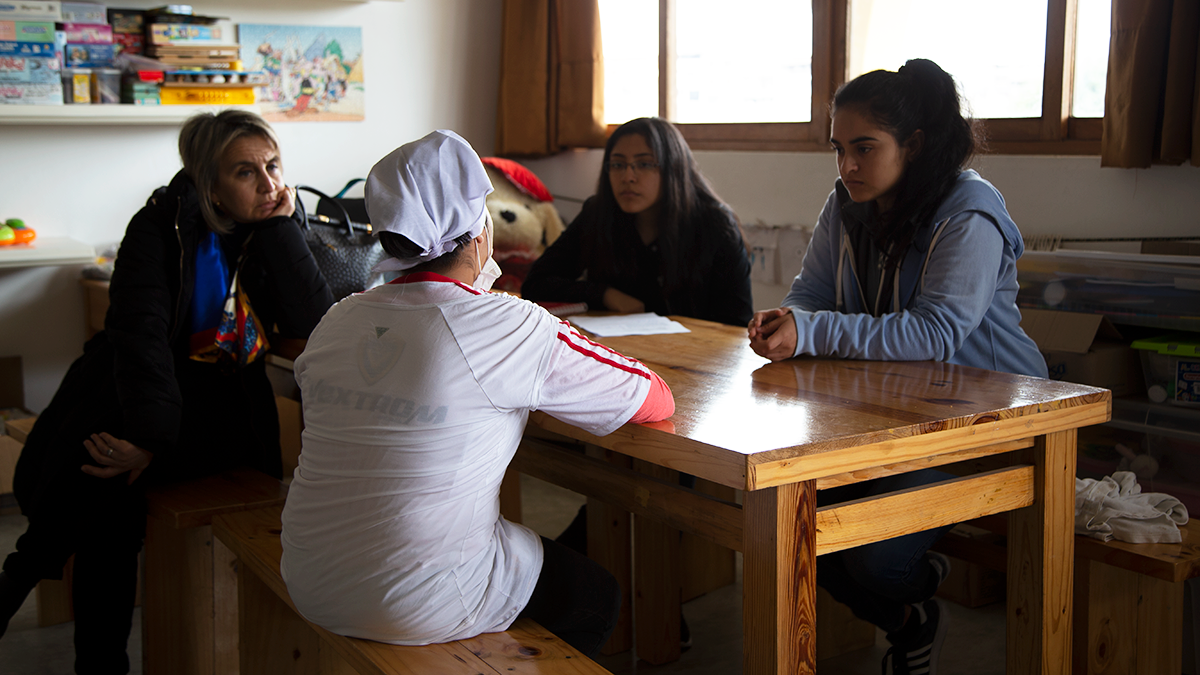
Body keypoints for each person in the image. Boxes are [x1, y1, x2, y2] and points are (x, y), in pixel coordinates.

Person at [279, 130, 674, 658]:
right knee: (595, 597)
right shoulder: (503, 323)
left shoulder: (338, 318)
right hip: (418, 599)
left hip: (309, 576)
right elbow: (652, 397)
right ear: (477, 230)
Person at [0, 110, 334, 674]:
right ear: (211, 185)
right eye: (246, 172)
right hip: (153, 394)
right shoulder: (159, 227)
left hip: (227, 412)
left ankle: (21, 578)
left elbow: (315, 319)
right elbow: (140, 336)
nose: (269, 183)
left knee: (104, 484)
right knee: (106, 487)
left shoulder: (275, 227)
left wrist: (281, 230)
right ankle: (90, 654)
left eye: (273, 166)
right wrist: (148, 437)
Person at [747, 59, 1047, 675]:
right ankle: (911, 622)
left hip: (990, 419)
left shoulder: (969, 211)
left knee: (873, 558)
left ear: (914, 145)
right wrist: (788, 320)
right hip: (892, 413)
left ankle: (916, 578)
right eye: (838, 150)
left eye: (864, 148)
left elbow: (936, 333)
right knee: (791, 526)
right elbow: (812, 293)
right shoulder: (847, 203)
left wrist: (812, 330)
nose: (847, 166)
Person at [521, 116, 753, 327]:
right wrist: (605, 294)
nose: (628, 177)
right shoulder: (598, 213)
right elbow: (536, 283)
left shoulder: (716, 225)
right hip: (616, 349)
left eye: (644, 164)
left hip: (694, 353)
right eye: (617, 164)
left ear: (672, 169)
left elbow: (737, 324)